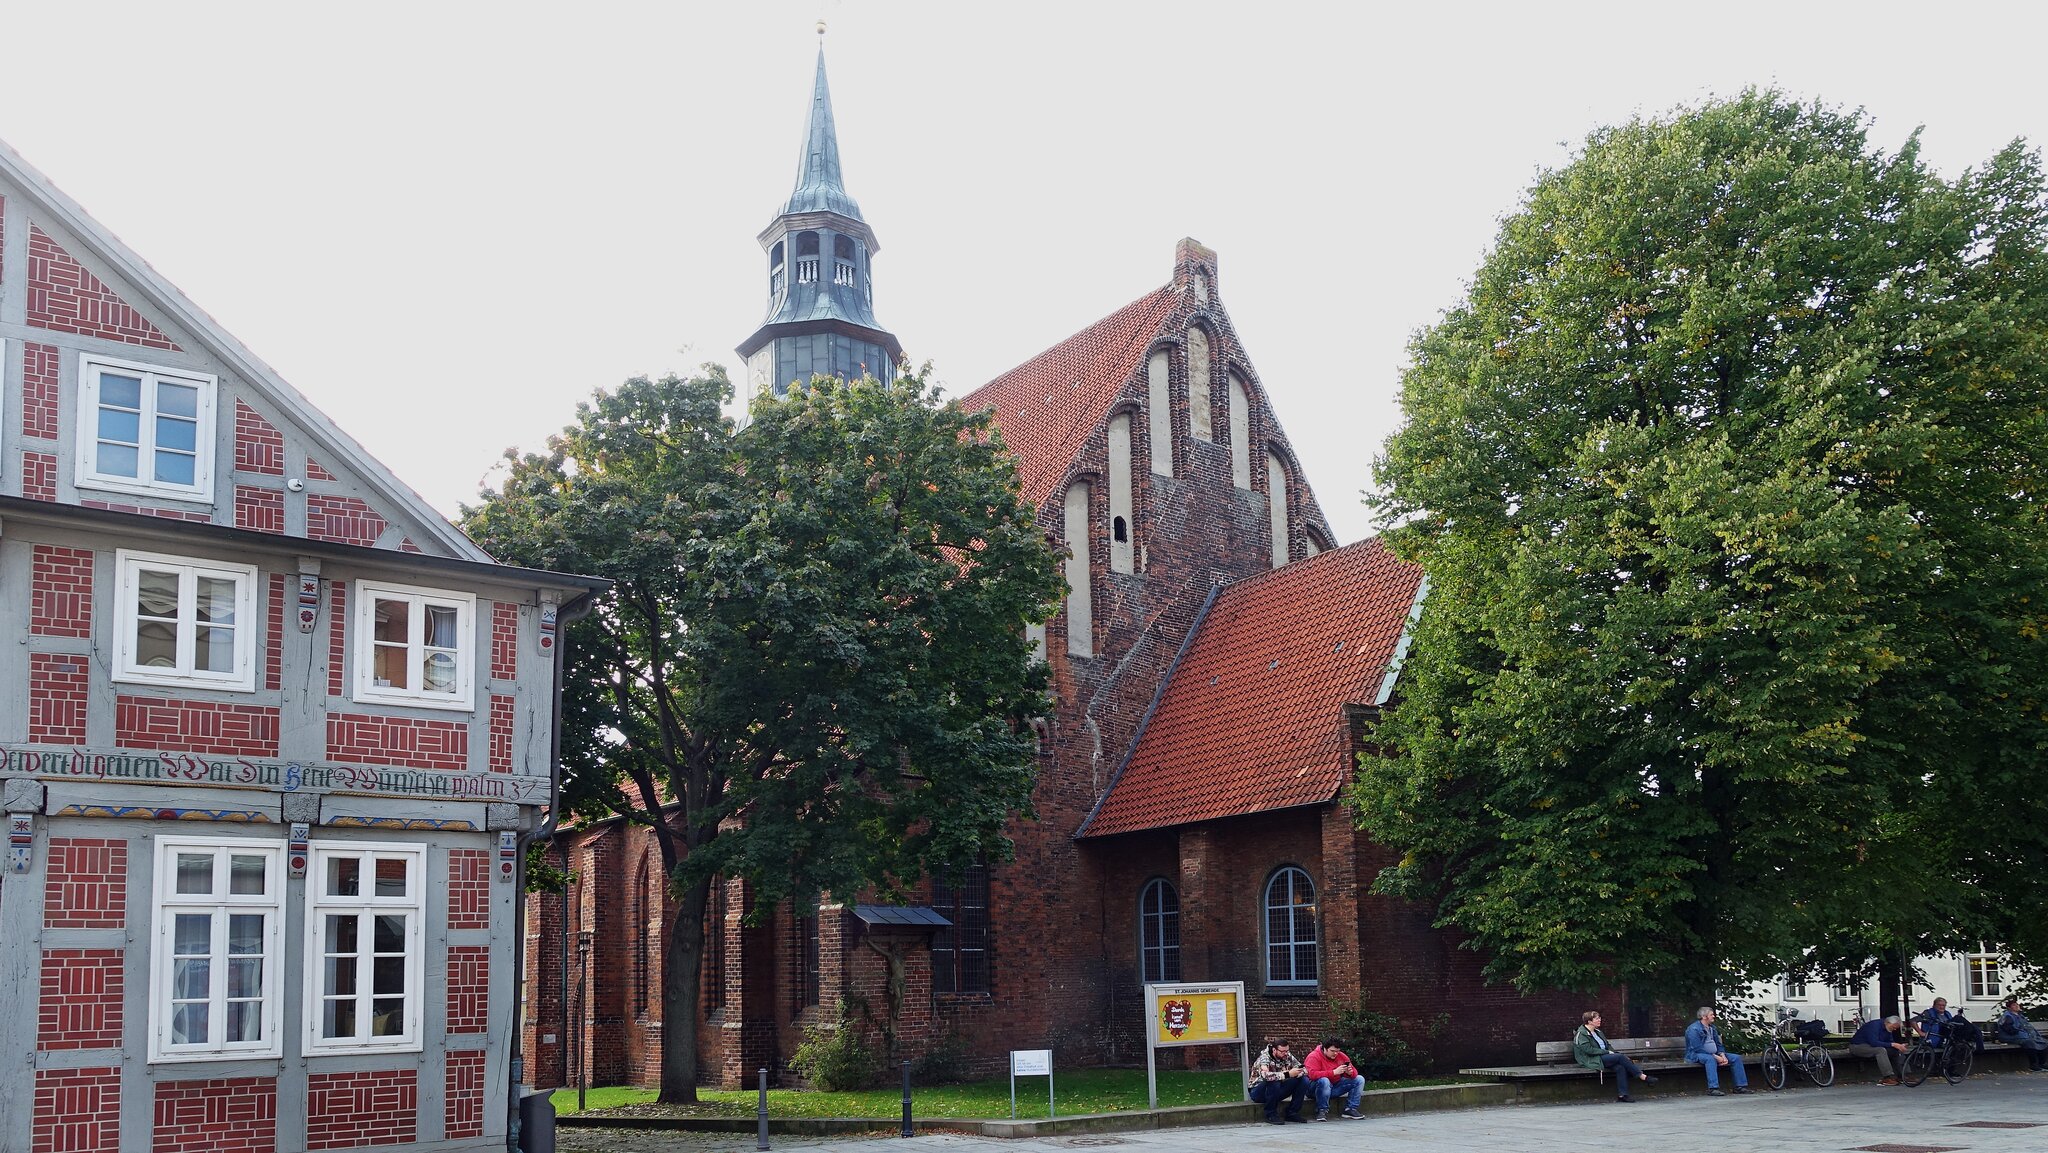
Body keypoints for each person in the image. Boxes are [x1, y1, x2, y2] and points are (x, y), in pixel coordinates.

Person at [1573, 1010, 1657, 1102]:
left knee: (1620, 1067)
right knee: (1620, 1057)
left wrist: (1613, 1053)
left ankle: (1623, 1095)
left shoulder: (1598, 1032)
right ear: (1589, 1021)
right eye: (1597, 1018)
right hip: (1591, 1059)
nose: (1600, 1020)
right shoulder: (1581, 1034)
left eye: (1599, 1018)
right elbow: (1588, 1050)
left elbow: (1608, 1045)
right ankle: (1643, 1077)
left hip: (1602, 1056)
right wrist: (1608, 1053)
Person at [1684, 1007, 1752, 1096]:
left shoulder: (1712, 1028)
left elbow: (1718, 1044)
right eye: (1711, 1015)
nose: (1714, 1016)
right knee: (1710, 1060)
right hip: (1696, 1054)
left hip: (1715, 1054)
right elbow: (1697, 1048)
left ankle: (1739, 1087)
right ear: (1704, 1017)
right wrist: (1715, 1057)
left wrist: (1722, 1055)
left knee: (1736, 1058)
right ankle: (1713, 1088)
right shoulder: (1693, 1029)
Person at [1303, 1037, 1366, 1121]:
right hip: (1315, 1089)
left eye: (1337, 1051)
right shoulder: (1314, 1056)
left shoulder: (1341, 1056)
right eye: (1332, 1051)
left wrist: (1349, 1073)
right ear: (1325, 1048)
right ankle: (1322, 1110)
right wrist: (1334, 1072)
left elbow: (1354, 1072)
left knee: (1359, 1079)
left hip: (1334, 1086)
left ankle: (1350, 1109)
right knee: (1324, 1080)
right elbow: (1312, 1075)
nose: (1335, 1053)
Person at [1247, 1038, 1309, 1124]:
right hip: (1258, 1091)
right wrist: (1287, 1074)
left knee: (1303, 1080)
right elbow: (1266, 1075)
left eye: (1287, 1051)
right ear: (1274, 1050)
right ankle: (1270, 1114)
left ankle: (1292, 1113)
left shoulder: (1287, 1055)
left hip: (1277, 1089)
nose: (1285, 1053)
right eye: (1282, 1051)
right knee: (1273, 1081)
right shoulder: (1264, 1058)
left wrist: (1297, 1073)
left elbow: (1304, 1069)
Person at [1846, 1015, 1910, 1084]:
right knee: (1880, 1050)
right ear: (1888, 1023)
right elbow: (1873, 1042)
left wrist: (1899, 1046)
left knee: (1897, 1050)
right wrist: (1893, 1044)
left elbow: (1889, 1042)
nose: (1894, 1029)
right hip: (1858, 1046)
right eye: (1893, 1027)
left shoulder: (1888, 1028)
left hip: (1871, 1046)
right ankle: (1887, 1077)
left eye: (1895, 1028)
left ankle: (1903, 1075)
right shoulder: (1874, 1026)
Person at [1996, 997, 2048, 1072]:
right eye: (2014, 1005)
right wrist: (2020, 1033)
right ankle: (2033, 1065)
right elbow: (2008, 1028)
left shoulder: (2020, 1015)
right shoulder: (2007, 1016)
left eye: (2017, 1004)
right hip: (2011, 1037)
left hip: (2023, 1035)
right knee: (2029, 1043)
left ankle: (2042, 1063)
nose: (2017, 1006)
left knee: (2044, 1042)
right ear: (2009, 1008)